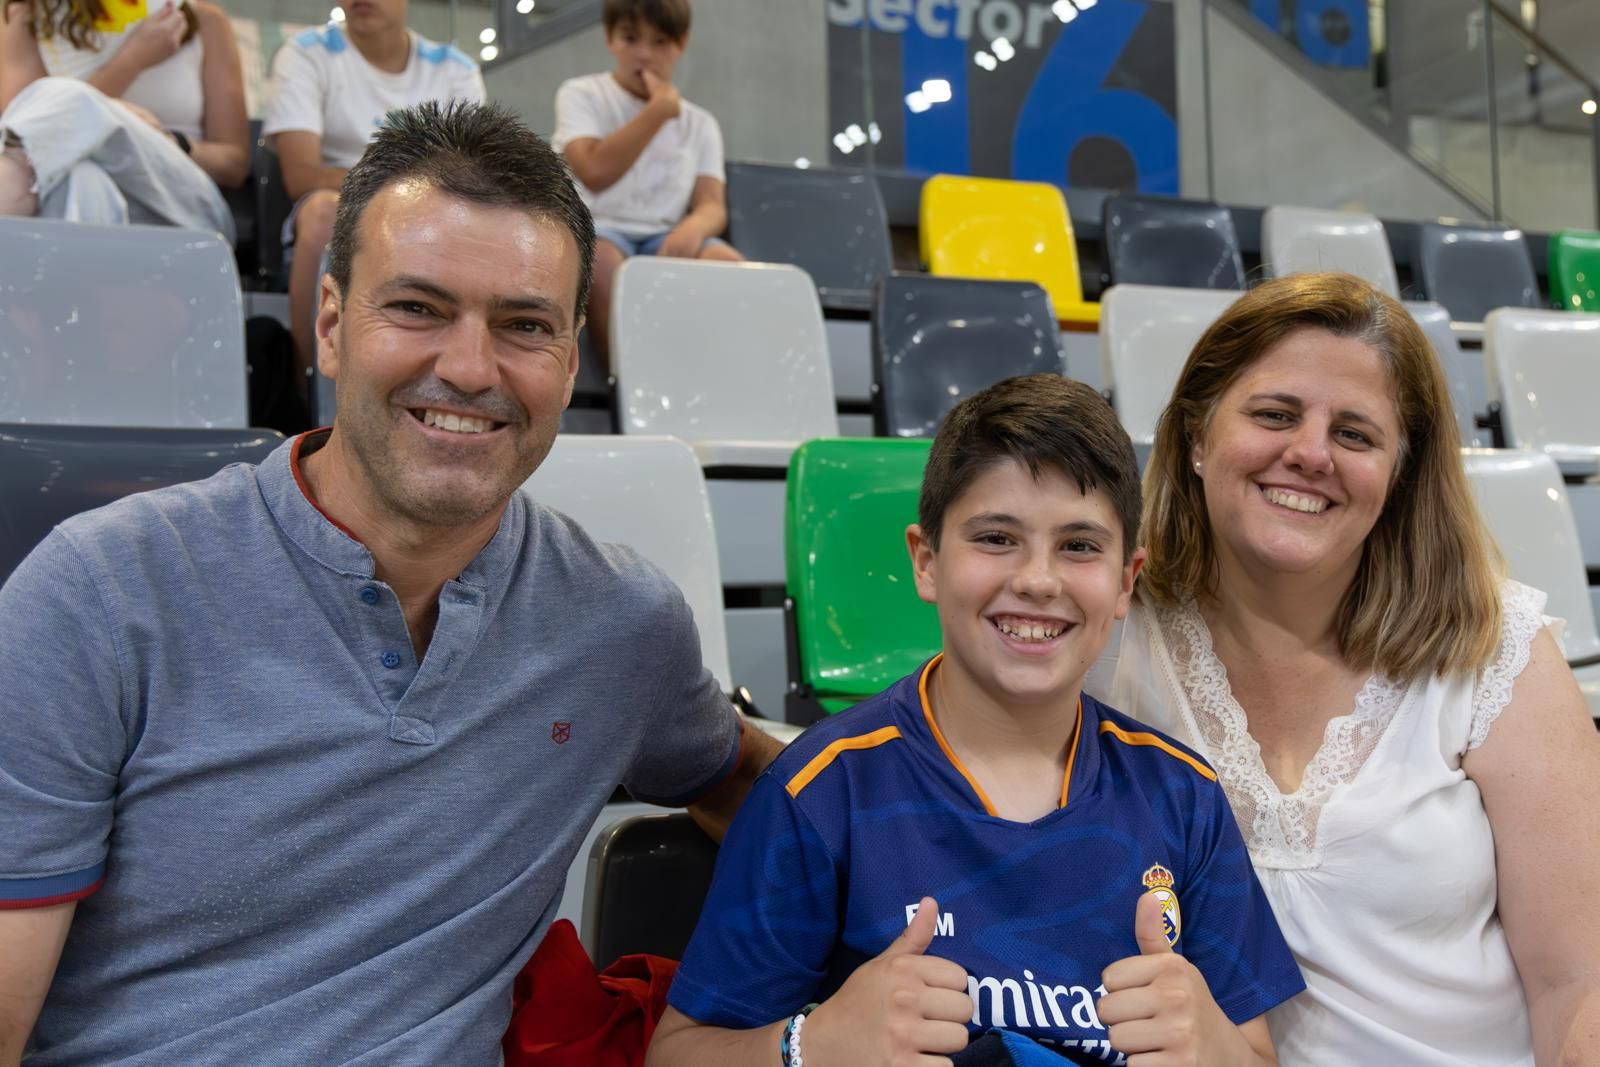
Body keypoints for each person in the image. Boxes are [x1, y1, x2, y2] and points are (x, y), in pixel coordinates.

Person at [0, 100, 781, 1067]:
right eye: (416, 307)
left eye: (524, 324)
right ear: (329, 326)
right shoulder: (99, 595)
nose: (468, 366)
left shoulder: (622, 626)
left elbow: (763, 788)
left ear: (571, 361)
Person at [648, 375, 1305, 1067]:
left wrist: (1214, 1048)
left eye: (1079, 546)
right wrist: (810, 1046)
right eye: (996, 537)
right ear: (926, 560)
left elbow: (1254, 1054)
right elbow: (678, 1053)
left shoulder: (1185, 796)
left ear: (1125, 581)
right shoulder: (822, 790)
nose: (1038, 579)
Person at [1088, 271, 1600, 1065]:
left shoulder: (1496, 652)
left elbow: (1580, 985)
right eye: (1275, 414)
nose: (1310, 453)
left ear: (1398, 477)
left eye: (1356, 434)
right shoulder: (1106, 636)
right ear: (1195, 435)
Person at [262, 0, 484, 387]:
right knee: (321, 213)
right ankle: (309, 385)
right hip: (343, 209)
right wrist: (409, 188)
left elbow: (468, 177)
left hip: (433, 215)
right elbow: (300, 177)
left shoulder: (456, 69)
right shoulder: (305, 52)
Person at [551, 0, 742, 369]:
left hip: (662, 235)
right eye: (630, 38)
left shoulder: (700, 124)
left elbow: (712, 203)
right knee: (603, 264)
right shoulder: (582, 94)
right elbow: (594, 170)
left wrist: (693, 228)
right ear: (609, 39)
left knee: (728, 263)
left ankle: (723, 376)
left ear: (681, 44)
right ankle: (625, 384)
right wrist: (658, 111)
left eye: (660, 42)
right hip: (595, 227)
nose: (644, 54)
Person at [0, 0, 246, 236]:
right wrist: (131, 61)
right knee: (85, 179)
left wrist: (168, 140)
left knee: (60, 95)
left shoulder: (207, 22)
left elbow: (234, 164)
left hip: (181, 206)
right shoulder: (26, 15)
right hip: (72, 198)